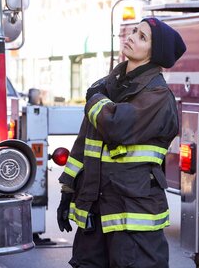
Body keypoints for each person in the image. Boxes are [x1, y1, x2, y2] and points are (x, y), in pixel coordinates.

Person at [57, 17, 186, 268]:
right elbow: (84, 144)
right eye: (134, 31)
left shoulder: (157, 96)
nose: (131, 36)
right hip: (95, 214)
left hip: (134, 219)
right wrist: (68, 191)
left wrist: (94, 99)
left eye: (142, 37)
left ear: (154, 52)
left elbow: (117, 127)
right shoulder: (108, 88)